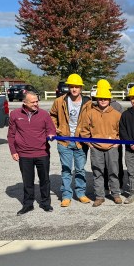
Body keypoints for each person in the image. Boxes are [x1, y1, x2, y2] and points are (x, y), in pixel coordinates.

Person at [7, 91, 57, 215]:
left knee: (44, 180)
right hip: (24, 154)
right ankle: (28, 204)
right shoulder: (15, 114)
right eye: (33, 102)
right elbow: (11, 135)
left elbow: (51, 129)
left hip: (42, 153)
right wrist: (13, 151)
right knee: (27, 181)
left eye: (37, 101)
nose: (36, 104)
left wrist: (51, 134)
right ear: (24, 102)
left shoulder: (44, 114)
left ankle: (46, 203)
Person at [49, 73, 92, 207]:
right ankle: (66, 195)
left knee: (80, 169)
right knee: (66, 169)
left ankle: (81, 193)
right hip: (64, 141)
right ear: (68, 87)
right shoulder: (59, 101)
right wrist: (55, 128)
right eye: (71, 86)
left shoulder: (88, 103)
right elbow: (52, 115)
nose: (74, 89)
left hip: (80, 142)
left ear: (81, 88)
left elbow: (92, 119)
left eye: (77, 87)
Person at [78, 82, 123, 207]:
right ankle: (99, 196)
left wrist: (117, 143)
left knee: (114, 171)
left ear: (109, 100)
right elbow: (84, 130)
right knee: (98, 172)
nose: (103, 101)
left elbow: (121, 131)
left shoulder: (116, 114)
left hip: (112, 148)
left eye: (105, 99)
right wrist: (89, 144)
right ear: (97, 99)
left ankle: (116, 194)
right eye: (100, 99)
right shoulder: (90, 113)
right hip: (96, 148)